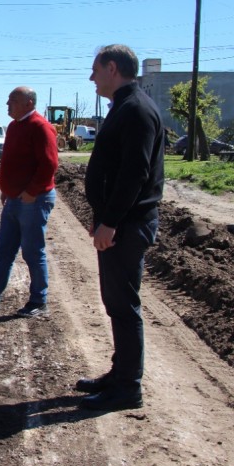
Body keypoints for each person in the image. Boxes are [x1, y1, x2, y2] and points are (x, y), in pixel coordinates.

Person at [77, 45, 165, 411]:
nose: (91, 78)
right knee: (115, 304)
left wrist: (109, 223)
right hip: (120, 225)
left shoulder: (136, 110)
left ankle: (128, 388)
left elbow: (134, 174)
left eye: (95, 70)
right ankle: (119, 374)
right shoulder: (125, 107)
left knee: (124, 306)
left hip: (126, 226)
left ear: (112, 68)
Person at [0, 86, 59, 318]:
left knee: (33, 252)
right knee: (3, 249)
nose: (7, 105)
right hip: (15, 199)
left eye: (12, 101)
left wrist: (31, 191)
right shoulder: (15, 127)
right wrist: (7, 190)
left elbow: (49, 165)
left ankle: (39, 300)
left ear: (28, 103)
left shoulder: (40, 127)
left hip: (33, 200)